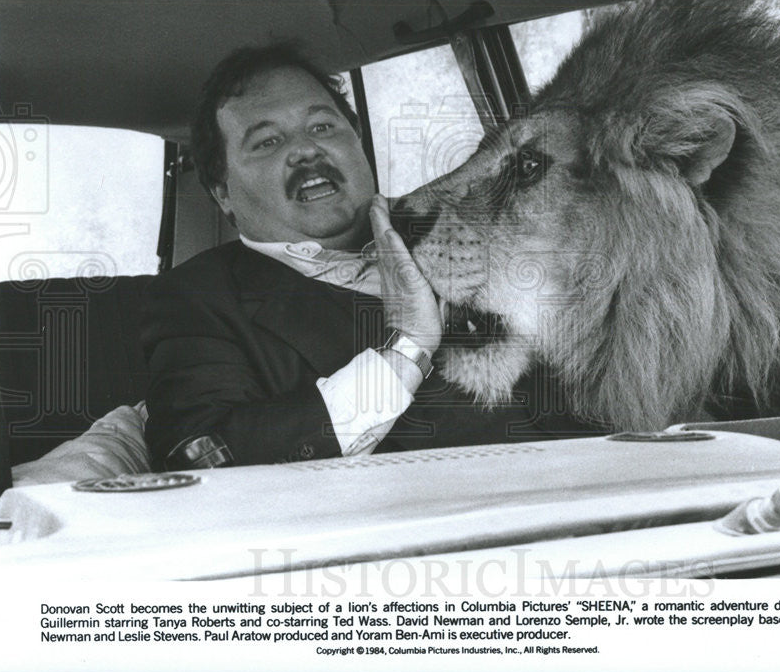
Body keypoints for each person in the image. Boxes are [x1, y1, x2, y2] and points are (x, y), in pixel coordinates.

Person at [140, 43, 604, 470]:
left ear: (356, 139)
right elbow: (202, 463)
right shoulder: (197, 299)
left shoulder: (464, 220)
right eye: (267, 141)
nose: (305, 150)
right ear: (222, 192)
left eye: (323, 126)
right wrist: (407, 348)